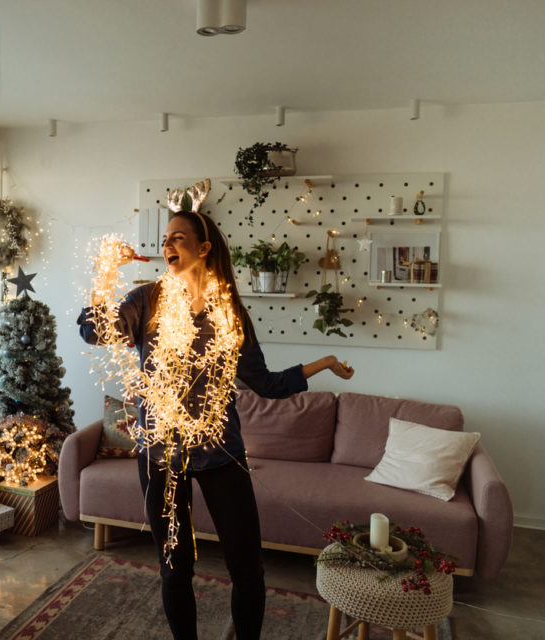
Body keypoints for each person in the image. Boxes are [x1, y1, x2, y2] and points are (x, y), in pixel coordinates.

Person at [77, 180, 354, 640]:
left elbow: (266, 384)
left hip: (220, 452)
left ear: (203, 249)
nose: (167, 245)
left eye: (177, 238)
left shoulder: (230, 314)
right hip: (161, 454)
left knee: (247, 567)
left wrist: (323, 363)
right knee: (175, 567)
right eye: (164, 239)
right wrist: (105, 272)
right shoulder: (146, 301)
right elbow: (93, 331)